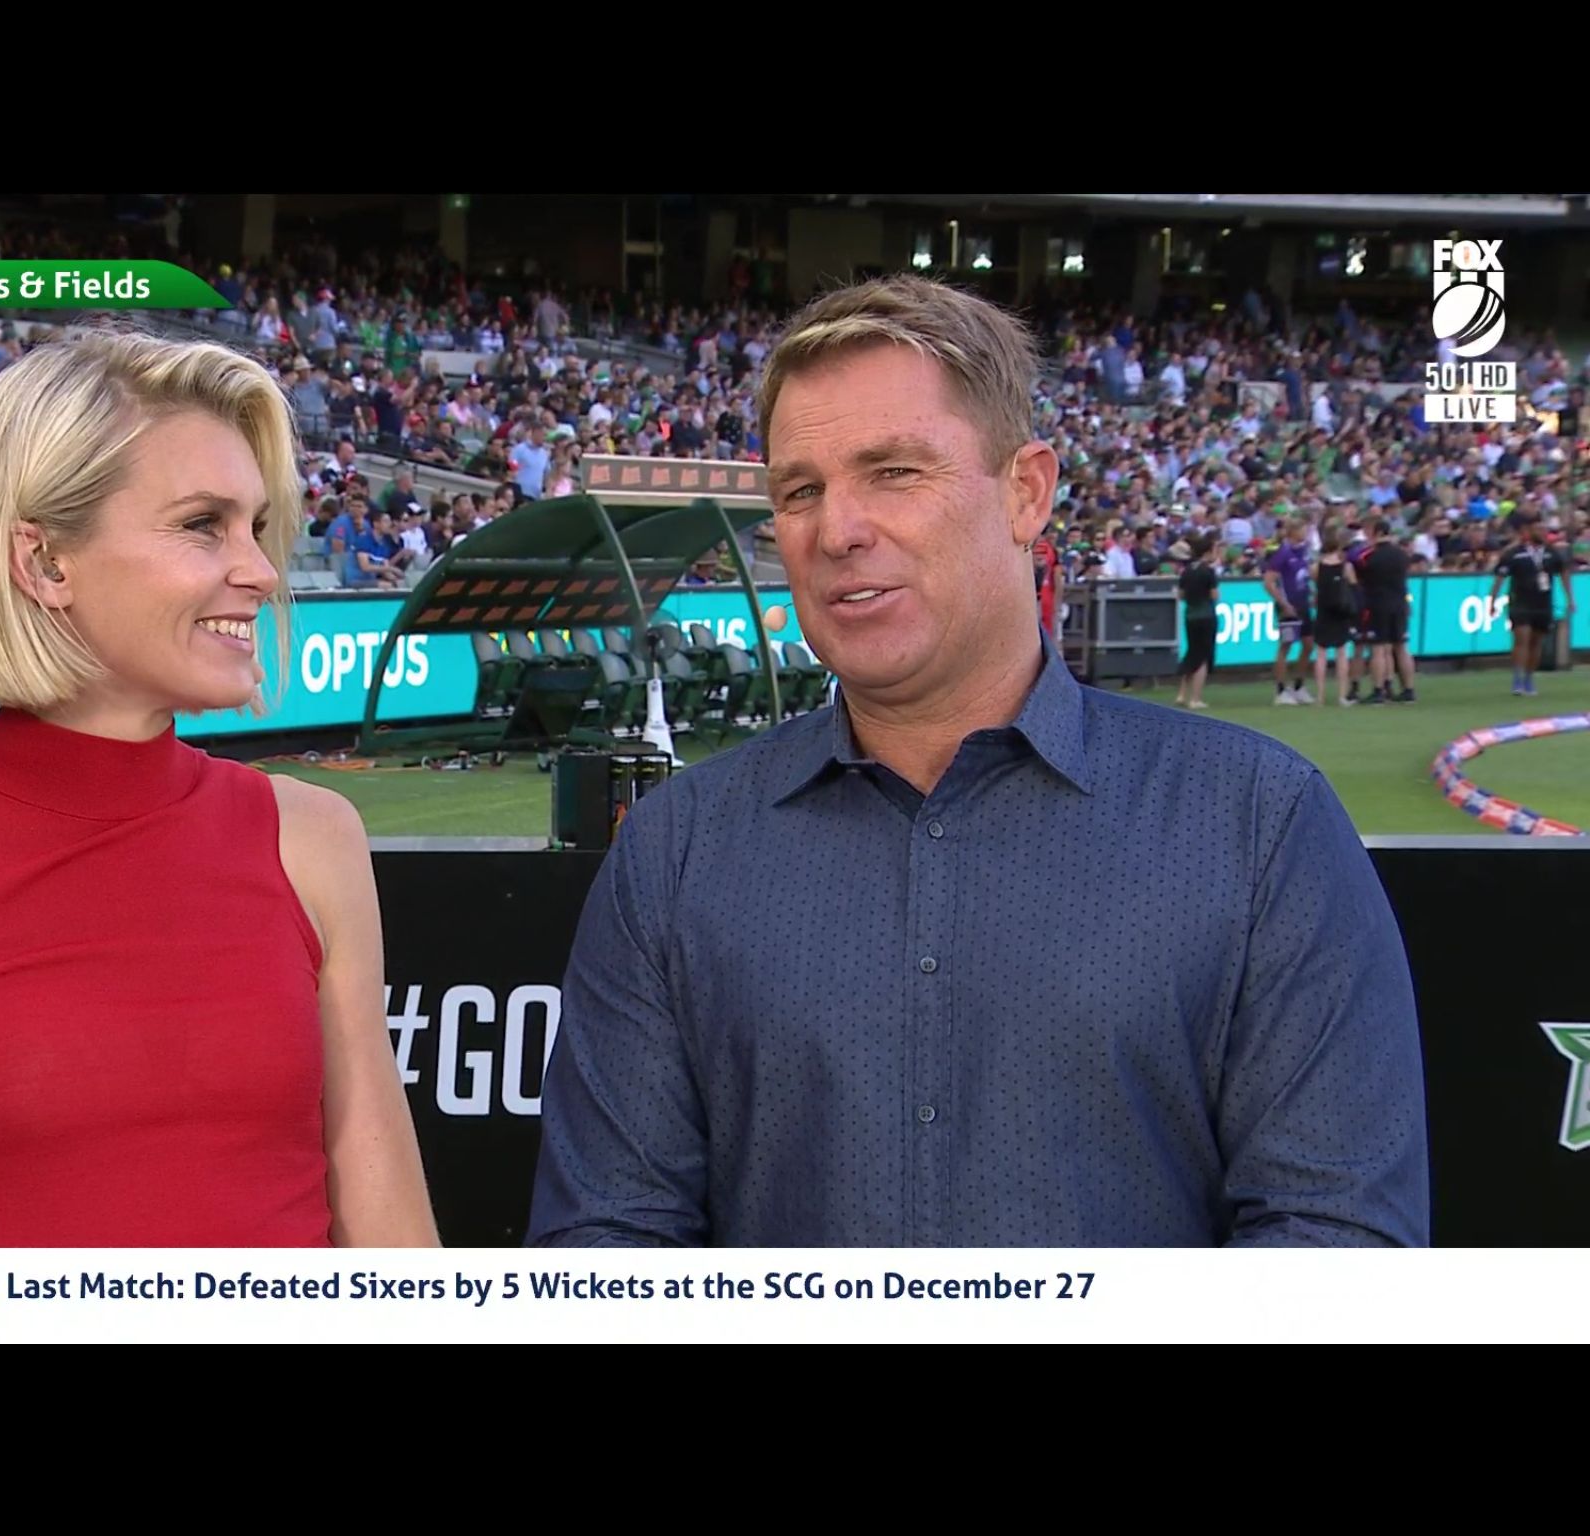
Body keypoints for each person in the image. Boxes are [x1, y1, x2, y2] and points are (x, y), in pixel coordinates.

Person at [527, 274, 1428, 1248]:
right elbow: (605, 1251)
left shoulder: (1253, 823)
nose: (837, 530)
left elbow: (1336, 1248)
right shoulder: (676, 850)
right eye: (799, 491)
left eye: (893, 472)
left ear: (1025, 491)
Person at [0, 328, 436, 1248]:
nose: (261, 572)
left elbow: (396, 1252)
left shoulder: (313, 838)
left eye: (258, 527)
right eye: (203, 524)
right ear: (44, 562)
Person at [1489, 516, 1575, 697]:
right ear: (1527, 531)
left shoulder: (1551, 553)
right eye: (1538, 529)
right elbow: (1500, 578)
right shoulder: (1514, 553)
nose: (1542, 533)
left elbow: (1564, 574)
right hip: (1520, 602)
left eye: (1544, 529)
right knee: (1522, 639)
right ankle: (1518, 678)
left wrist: (1570, 599)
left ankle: (1529, 677)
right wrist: (1492, 601)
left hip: (1542, 603)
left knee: (1536, 642)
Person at [1355, 517, 1415, 704]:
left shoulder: (1368, 556)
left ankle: (1378, 690)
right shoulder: (1402, 555)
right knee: (1401, 646)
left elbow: (1359, 578)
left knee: (1378, 648)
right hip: (1400, 603)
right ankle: (1408, 690)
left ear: (1377, 533)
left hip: (1378, 604)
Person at [1310, 514, 1362, 707]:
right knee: (1341, 653)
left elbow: (1317, 587)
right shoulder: (1346, 567)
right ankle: (1341, 695)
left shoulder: (1316, 566)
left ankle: (1320, 696)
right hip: (1341, 611)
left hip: (1323, 610)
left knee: (1321, 653)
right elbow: (1354, 588)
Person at [1262, 516, 1314, 705]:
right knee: (1286, 645)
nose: (1306, 533)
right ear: (1293, 531)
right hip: (1288, 607)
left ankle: (1298, 685)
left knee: (1308, 644)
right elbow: (1268, 582)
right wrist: (1283, 604)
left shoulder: (1304, 551)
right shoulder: (1282, 553)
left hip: (1303, 604)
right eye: (1303, 529)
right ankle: (1281, 690)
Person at [1173, 533, 1218, 709]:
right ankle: (1196, 698)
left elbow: (1180, 595)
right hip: (1206, 615)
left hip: (1190, 615)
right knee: (1202, 657)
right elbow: (1214, 595)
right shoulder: (1208, 571)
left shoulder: (1187, 570)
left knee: (1191, 653)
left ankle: (1182, 694)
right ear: (1207, 552)